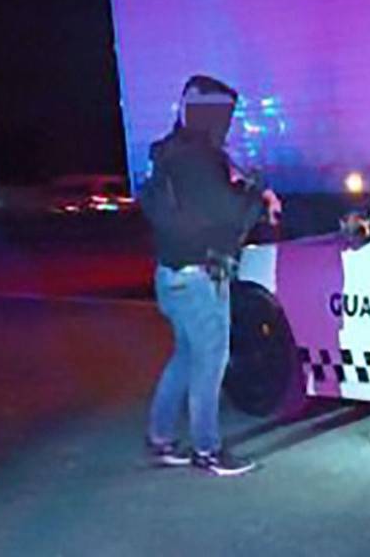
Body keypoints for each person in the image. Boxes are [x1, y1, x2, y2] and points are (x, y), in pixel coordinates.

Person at [141, 75, 281, 476]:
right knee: (210, 362)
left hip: (172, 274)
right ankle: (207, 450)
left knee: (187, 356)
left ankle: (160, 439)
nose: (228, 125)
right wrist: (256, 193)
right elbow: (229, 216)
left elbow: (199, 209)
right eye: (225, 116)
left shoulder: (169, 153)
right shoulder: (199, 159)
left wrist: (237, 189)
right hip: (201, 276)